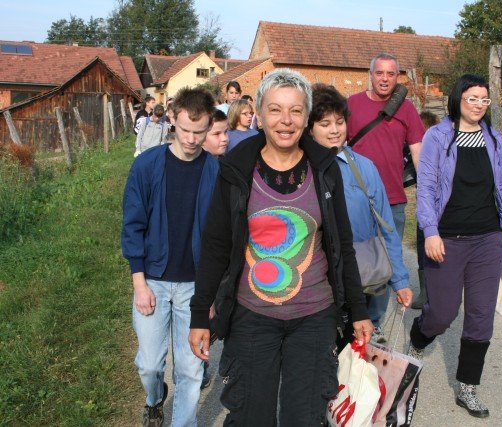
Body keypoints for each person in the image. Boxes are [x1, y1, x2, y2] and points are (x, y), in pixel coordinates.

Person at [189, 69, 374, 426]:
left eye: (295, 110)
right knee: (251, 418)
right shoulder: (235, 169)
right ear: (258, 115)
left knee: (304, 418)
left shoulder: (325, 168)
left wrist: (359, 310)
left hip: (314, 318)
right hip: (252, 317)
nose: (285, 120)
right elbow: (215, 246)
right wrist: (200, 315)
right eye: (275, 109)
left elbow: (342, 246)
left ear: (306, 118)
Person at [408, 74, 502, 418]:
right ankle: (418, 340)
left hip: (487, 239)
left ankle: (468, 387)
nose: (479, 105)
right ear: (458, 100)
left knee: (481, 316)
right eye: (472, 98)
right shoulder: (438, 137)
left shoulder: (493, 139)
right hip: (447, 238)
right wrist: (430, 232)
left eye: (484, 99)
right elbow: (426, 187)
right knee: (442, 313)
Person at [121, 87, 219, 427]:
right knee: (149, 365)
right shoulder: (147, 165)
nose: (191, 139)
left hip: (196, 287)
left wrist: (211, 294)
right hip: (153, 281)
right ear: (173, 119)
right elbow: (133, 225)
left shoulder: (216, 172)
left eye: (199, 131)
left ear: (209, 126)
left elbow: (222, 239)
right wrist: (139, 283)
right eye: (185, 129)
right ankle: (154, 399)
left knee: (191, 370)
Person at [308, 84, 413, 349]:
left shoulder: (364, 167)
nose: (335, 130)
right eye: (325, 124)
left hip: (358, 277)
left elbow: (386, 227)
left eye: (339, 122)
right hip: (313, 280)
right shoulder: (302, 169)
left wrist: (400, 280)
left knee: (351, 353)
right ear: (309, 128)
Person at [347, 52, 425, 342]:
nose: (384, 79)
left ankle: (375, 322)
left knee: (384, 264)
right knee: (353, 259)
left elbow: (418, 151)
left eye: (391, 74)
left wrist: (427, 192)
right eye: (379, 73)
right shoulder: (352, 104)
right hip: (355, 199)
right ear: (370, 74)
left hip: (392, 199)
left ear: (397, 77)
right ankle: (350, 317)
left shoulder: (406, 109)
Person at [411, 111, 441, 309]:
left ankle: (438, 290)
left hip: (443, 208)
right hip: (424, 208)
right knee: (422, 244)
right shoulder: (416, 151)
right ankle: (425, 291)